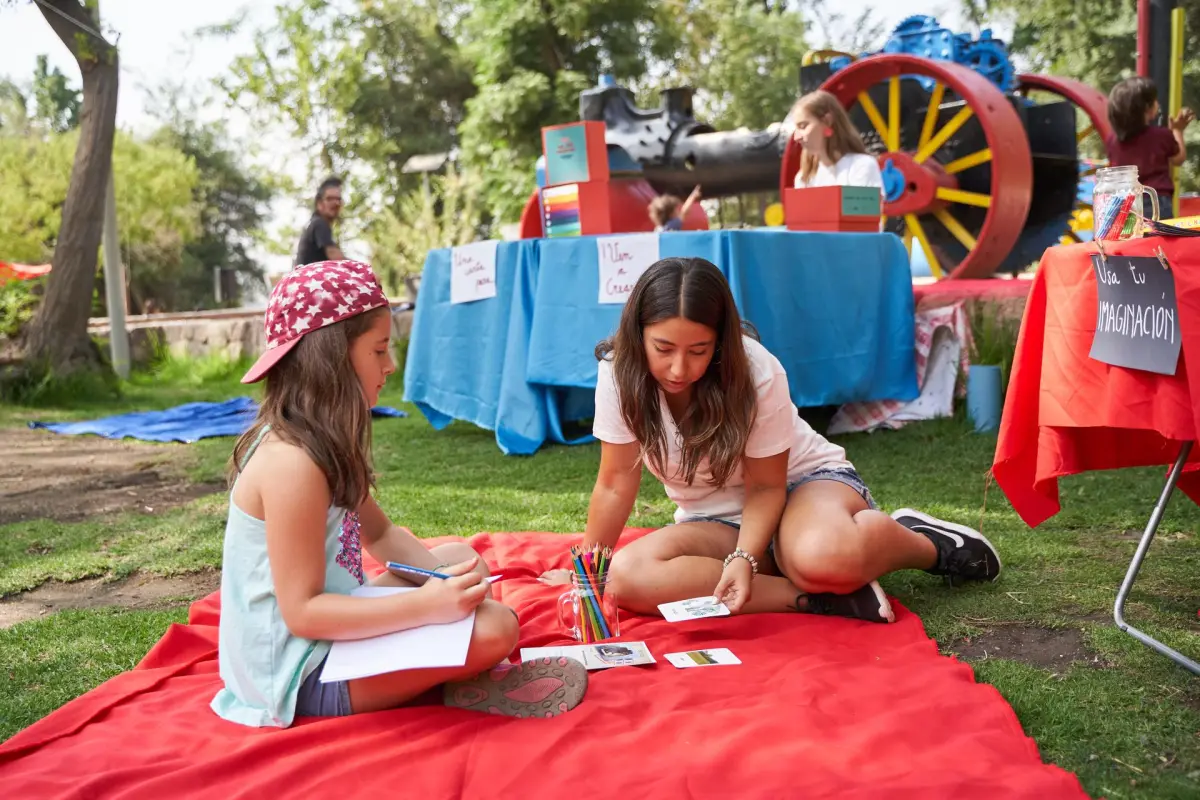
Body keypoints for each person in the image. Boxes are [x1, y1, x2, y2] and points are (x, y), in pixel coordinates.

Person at [212, 259, 587, 727]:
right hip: (297, 671)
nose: (390, 366)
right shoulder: (292, 464)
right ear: (331, 358)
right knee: (496, 629)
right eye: (380, 350)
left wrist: (446, 584)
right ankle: (451, 682)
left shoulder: (322, 443)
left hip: (333, 631)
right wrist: (428, 607)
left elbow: (383, 534)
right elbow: (304, 613)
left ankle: (446, 672)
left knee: (461, 560)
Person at [544, 257, 1000, 624]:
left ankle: (928, 545)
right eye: (663, 349)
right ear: (637, 333)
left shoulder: (756, 369)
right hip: (713, 518)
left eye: (698, 351)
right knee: (625, 577)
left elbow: (766, 487)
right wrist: (588, 574)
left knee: (822, 556)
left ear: (720, 342)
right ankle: (818, 599)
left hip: (803, 485)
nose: (679, 369)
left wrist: (746, 555)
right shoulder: (618, 374)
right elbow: (615, 483)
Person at [1105, 76, 1193, 217]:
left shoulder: (1112, 140)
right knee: (1158, 239)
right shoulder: (1161, 136)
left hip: (1124, 204)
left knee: (1133, 239)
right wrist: (1177, 130)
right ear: (1147, 108)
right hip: (1156, 202)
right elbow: (1179, 158)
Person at [789, 90, 882, 192]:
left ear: (827, 121)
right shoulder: (803, 178)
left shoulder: (862, 166)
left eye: (803, 126)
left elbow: (867, 207)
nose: (796, 137)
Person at [294, 177, 346, 266]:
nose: (336, 203)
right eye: (330, 199)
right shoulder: (320, 223)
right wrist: (365, 270)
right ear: (319, 204)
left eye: (338, 199)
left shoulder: (312, 223)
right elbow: (334, 255)